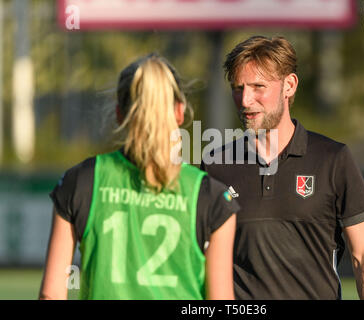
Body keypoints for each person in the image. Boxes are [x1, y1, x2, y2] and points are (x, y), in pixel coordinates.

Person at [201, 36, 364, 300]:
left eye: (258, 87)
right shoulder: (214, 165)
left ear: (289, 85)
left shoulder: (333, 159)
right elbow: (201, 261)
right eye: (238, 88)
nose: (245, 100)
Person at [39, 54, 238, 300]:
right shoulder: (212, 196)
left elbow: (51, 294)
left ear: (120, 113)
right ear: (179, 111)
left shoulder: (81, 181)